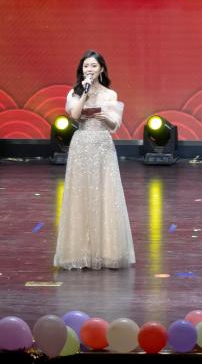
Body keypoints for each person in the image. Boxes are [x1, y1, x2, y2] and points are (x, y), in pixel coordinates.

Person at [54, 50, 135, 270]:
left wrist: (106, 117)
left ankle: (107, 252)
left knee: (105, 193)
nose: (89, 69)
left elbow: (114, 125)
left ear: (101, 69)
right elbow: (74, 115)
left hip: (102, 144)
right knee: (80, 194)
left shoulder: (110, 94)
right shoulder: (75, 92)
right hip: (81, 144)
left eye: (93, 66)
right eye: (86, 66)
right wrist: (84, 93)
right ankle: (80, 253)